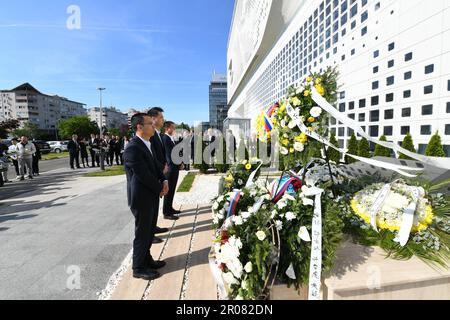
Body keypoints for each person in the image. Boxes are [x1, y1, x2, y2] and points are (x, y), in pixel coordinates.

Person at [124, 113, 168, 281]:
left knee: (149, 231)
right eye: (150, 123)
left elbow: (155, 166)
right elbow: (143, 174)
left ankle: (146, 259)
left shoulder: (146, 143)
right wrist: (160, 188)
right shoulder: (133, 147)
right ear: (139, 127)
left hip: (151, 194)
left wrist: (163, 179)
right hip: (141, 197)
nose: (153, 125)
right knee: (142, 233)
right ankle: (138, 267)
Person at [148, 108, 171, 240]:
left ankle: (153, 227)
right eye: (161, 117)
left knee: (155, 202)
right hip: (155, 172)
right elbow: (152, 155)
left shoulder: (157, 133)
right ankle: (149, 234)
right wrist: (161, 167)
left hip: (160, 172)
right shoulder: (151, 135)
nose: (163, 119)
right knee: (150, 205)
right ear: (154, 118)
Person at [162, 121, 183, 219]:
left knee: (172, 189)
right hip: (171, 168)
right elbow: (170, 155)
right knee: (168, 191)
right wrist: (179, 164)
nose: (174, 130)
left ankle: (170, 208)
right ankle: (166, 212)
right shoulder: (165, 138)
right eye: (173, 128)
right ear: (167, 128)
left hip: (174, 167)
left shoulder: (170, 138)